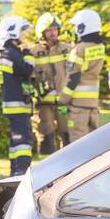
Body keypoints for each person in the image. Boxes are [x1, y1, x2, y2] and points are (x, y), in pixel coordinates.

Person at [0, 15, 35, 176]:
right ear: (12, 32)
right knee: (23, 142)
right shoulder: (12, 53)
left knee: (15, 142)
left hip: (15, 106)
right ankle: (22, 172)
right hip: (18, 106)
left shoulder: (7, 52)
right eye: (21, 31)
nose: (23, 35)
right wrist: (28, 53)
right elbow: (27, 70)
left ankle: (14, 172)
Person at [30, 13, 72, 154]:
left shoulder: (67, 48)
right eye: (49, 30)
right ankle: (46, 164)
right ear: (41, 32)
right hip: (44, 103)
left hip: (63, 101)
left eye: (55, 29)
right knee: (46, 134)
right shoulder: (34, 52)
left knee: (67, 133)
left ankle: (70, 163)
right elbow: (29, 77)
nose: (53, 33)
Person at [60, 9, 105, 143]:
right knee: (93, 143)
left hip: (78, 106)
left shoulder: (78, 50)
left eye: (76, 26)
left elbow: (73, 78)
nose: (75, 29)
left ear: (83, 27)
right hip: (93, 104)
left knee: (78, 143)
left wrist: (62, 100)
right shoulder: (100, 46)